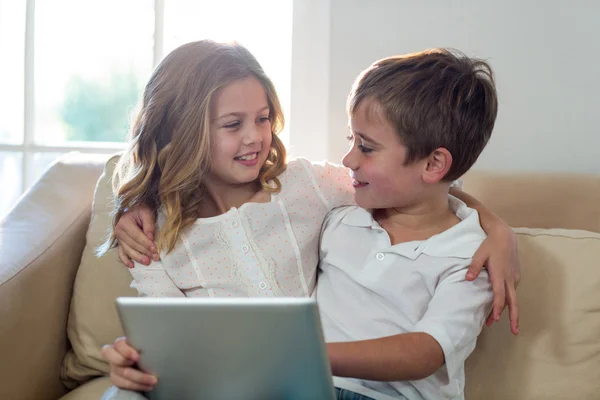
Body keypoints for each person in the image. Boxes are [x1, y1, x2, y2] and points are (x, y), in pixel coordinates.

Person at [100, 40, 519, 398]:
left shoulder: (309, 188)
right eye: (233, 124)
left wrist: (497, 229)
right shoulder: (151, 235)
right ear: (181, 131)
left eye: (263, 118)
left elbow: (419, 187)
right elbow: (175, 349)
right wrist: (136, 360)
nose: (255, 137)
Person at [319, 48, 499, 399]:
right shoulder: (341, 211)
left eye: (367, 148)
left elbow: (424, 352)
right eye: (350, 139)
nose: (348, 159)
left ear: (433, 165)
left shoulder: (471, 257)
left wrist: (310, 356)